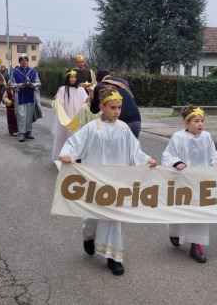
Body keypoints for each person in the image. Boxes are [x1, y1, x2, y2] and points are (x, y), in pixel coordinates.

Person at [59, 85, 158, 276]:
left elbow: (134, 151)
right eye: (113, 108)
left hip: (117, 185)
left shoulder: (123, 129)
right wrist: (67, 154)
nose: (117, 112)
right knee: (92, 217)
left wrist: (146, 160)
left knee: (114, 219)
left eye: (119, 108)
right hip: (95, 183)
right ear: (102, 107)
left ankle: (113, 257)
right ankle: (89, 237)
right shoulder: (91, 128)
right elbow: (74, 143)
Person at [161, 106, 217, 263]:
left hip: (202, 183)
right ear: (186, 123)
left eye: (202, 121)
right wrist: (176, 162)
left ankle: (196, 244)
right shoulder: (178, 137)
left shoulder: (206, 137)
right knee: (181, 211)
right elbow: (168, 155)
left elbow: (212, 156)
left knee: (200, 213)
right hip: (183, 182)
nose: (200, 124)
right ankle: (176, 232)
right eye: (196, 121)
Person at [90, 70, 142, 138]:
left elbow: (94, 110)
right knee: (131, 148)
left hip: (119, 123)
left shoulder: (100, 86)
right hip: (136, 120)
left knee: (115, 148)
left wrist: (91, 100)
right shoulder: (123, 82)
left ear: (97, 80)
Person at [51, 70, 88, 160]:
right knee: (63, 137)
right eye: (71, 77)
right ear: (68, 78)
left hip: (77, 118)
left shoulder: (81, 90)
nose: (73, 79)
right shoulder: (62, 89)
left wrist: (90, 97)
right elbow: (58, 102)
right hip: (66, 118)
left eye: (74, 77)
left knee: (76, 137)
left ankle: (75, 156)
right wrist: (57, 101)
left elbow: (86, 101)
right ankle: (61, 156)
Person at [12, 55, 41, 142]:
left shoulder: (33, 72)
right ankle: (21, 133)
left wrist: (33, 85)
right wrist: (19, 85)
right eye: (22, 60)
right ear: (20, 62)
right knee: (21, 115)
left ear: (27, 61)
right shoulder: (15, 72)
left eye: (25, 60)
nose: (24, 62)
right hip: (21, 96)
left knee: (29, 115)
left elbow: (38, 82)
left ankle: (28, 132)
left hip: (30, 96)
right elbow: (12, 84)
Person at [2, 70, 18, 136]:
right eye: (11, 84)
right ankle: (12, 130)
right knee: (11, 119)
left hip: (17, 107)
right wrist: (9, 101)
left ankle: (18, 129)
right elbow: (4, 98)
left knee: (17, 119)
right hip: (10, 108)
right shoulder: (7, 91)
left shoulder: (17, 91)